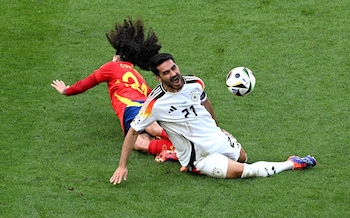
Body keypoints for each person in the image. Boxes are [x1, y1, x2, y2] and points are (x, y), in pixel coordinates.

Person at [110, 53, 317, 184]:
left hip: (216, 138)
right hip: (199, 156)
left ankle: (180, 154)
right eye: (166, 72)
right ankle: (292, 163)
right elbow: (133, 132)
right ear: (158, 78)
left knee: (243, 157)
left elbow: (205, 103)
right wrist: (122, 165)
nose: (174, 74)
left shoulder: (195, 83)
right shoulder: (154, 104)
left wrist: (216, 126)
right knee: (247, 171)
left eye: (174, 68)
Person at [51, 18, 176, 161]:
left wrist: (66, 91)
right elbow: (151, 95)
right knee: (139, 141)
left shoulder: (111, 66)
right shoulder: (136, 74)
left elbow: (85, 84)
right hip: (147, 106)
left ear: (116, 57)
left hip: (132, 107)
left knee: (149, 130)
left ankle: (186, 142)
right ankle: (175, 148)